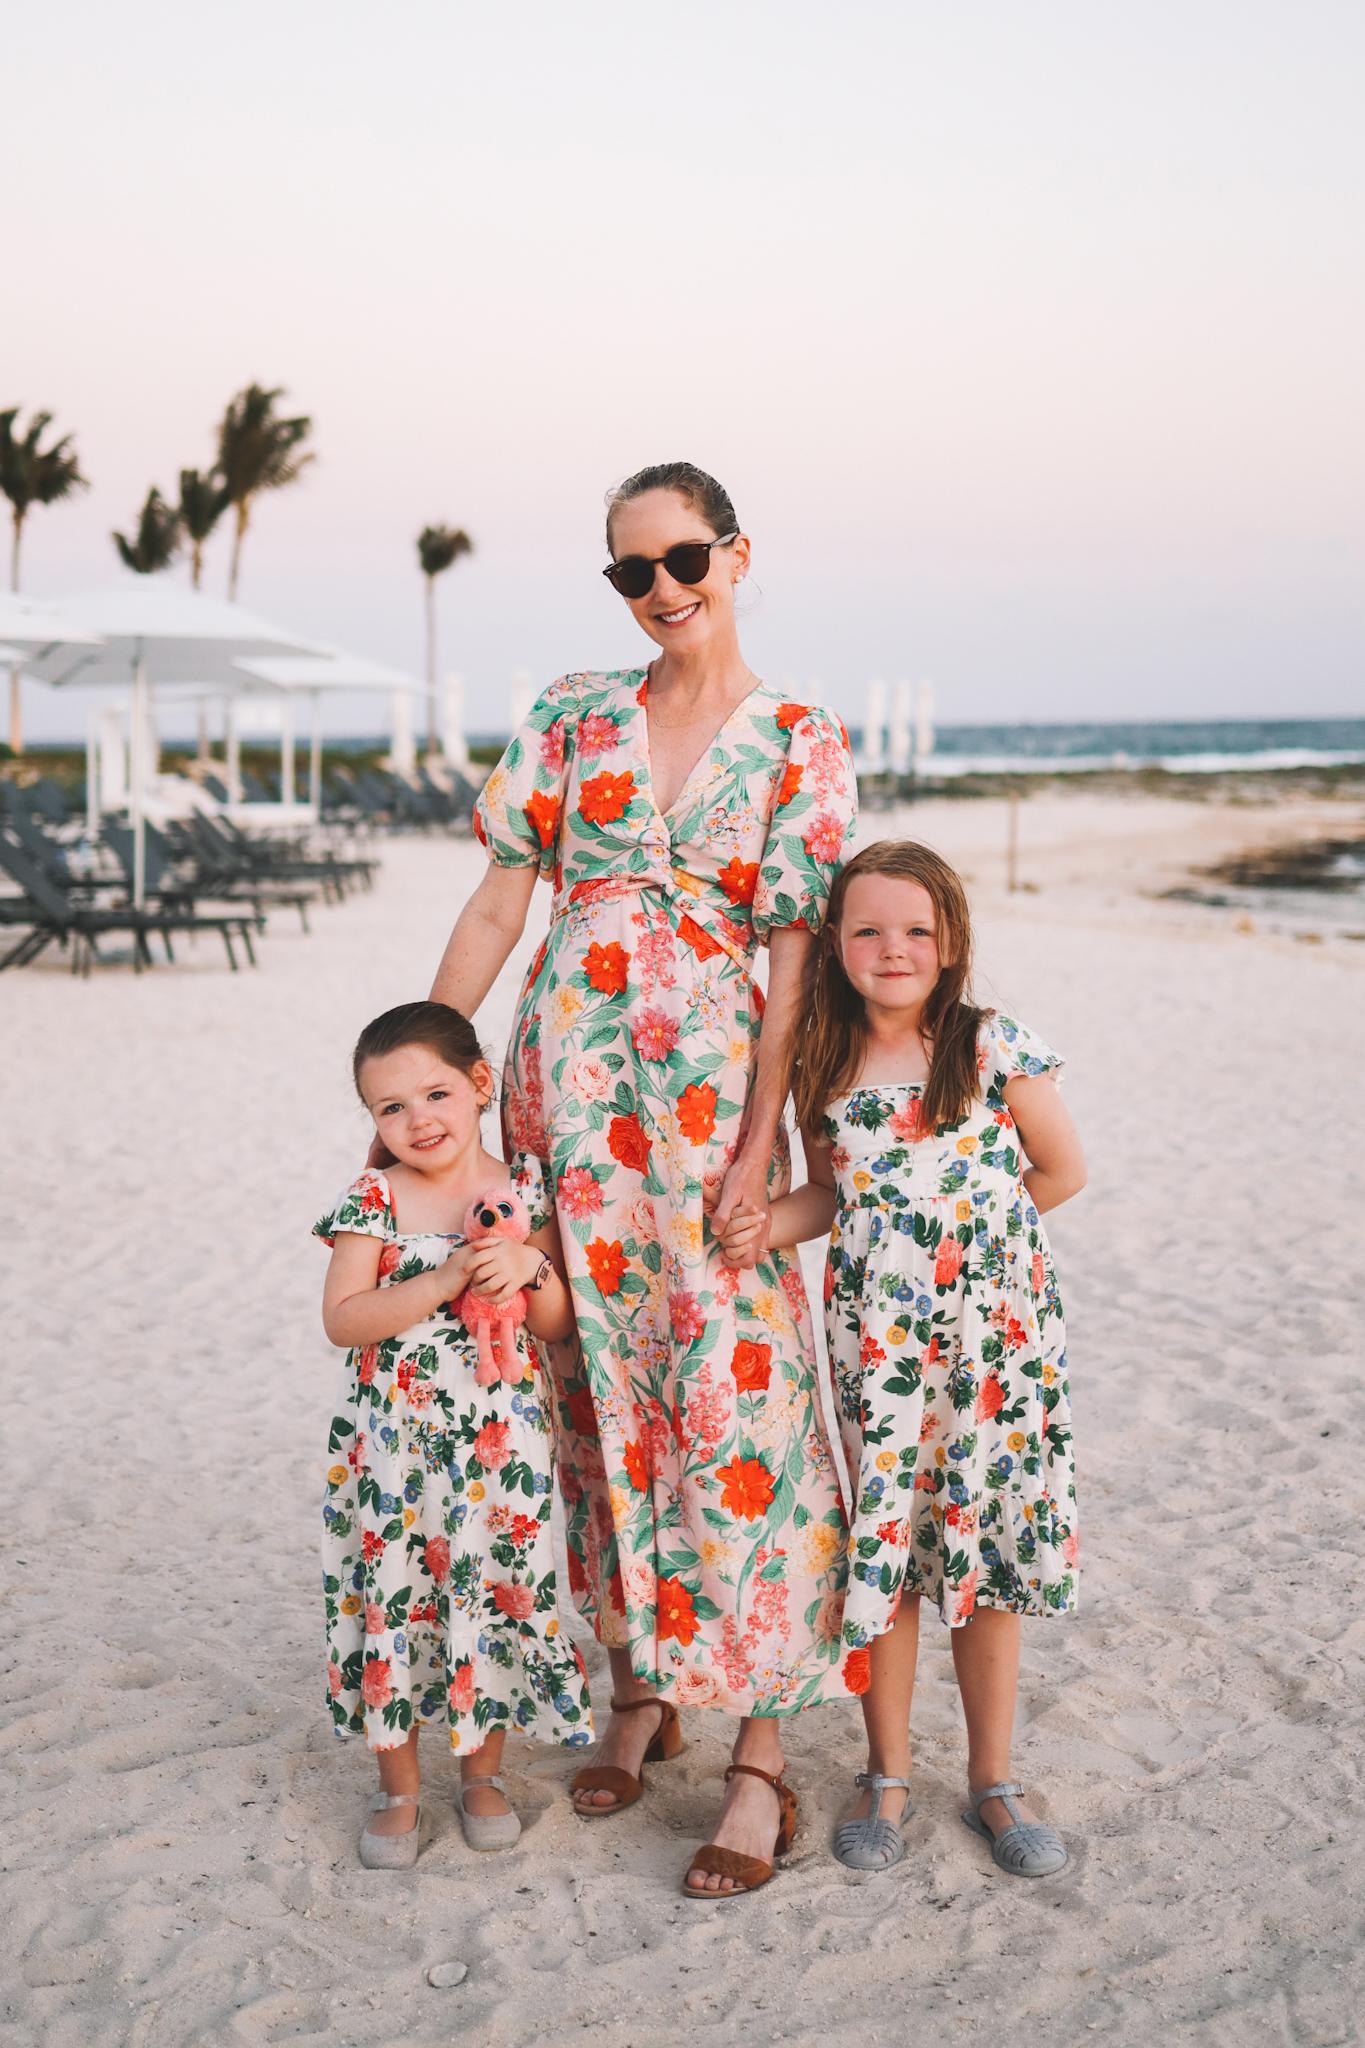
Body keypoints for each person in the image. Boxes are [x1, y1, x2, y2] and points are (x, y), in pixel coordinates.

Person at [429, 462, 859, 1899]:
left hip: (708, 1121)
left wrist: (761, 1145)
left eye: (682, 559)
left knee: (741, 1401)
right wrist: (429, 1080)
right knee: (592, 1405)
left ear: (737, 554)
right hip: (567, 1116)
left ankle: (758, 1762)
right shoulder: (570, 716)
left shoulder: (801, 736)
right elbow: (502, 897)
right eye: (631, 571)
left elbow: (794, 957)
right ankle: (639, 1687)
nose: (661, 589)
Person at [719, 840, 1086, 1878]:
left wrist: (962, 1249)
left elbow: (1060, 1169)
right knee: (892, 1551)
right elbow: (832, 1196)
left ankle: (994, 1778)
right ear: (833, 946)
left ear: (951, 940)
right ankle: (886, 1770)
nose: (894, 947)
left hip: (997, 1348)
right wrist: (766, 1225)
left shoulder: (988, 1044)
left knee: (983, 1560)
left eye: (917, 929)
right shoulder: (826, 1068)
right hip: (879, 1350)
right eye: (868, 928)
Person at [316, 1001, 592, 1869]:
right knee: (392, 1600)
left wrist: (532, 1265)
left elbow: (556, 1326)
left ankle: (481, 1774)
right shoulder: (375, 1197)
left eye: (434, 1093)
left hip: (498, 1448)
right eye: (389, 1109)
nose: (416, 1120)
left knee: (491, 1593)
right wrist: (440, 1280)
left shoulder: (521, 1190)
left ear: (479, 1084)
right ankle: (398, 1785)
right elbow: (345, 1318)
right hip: (390, 1450)